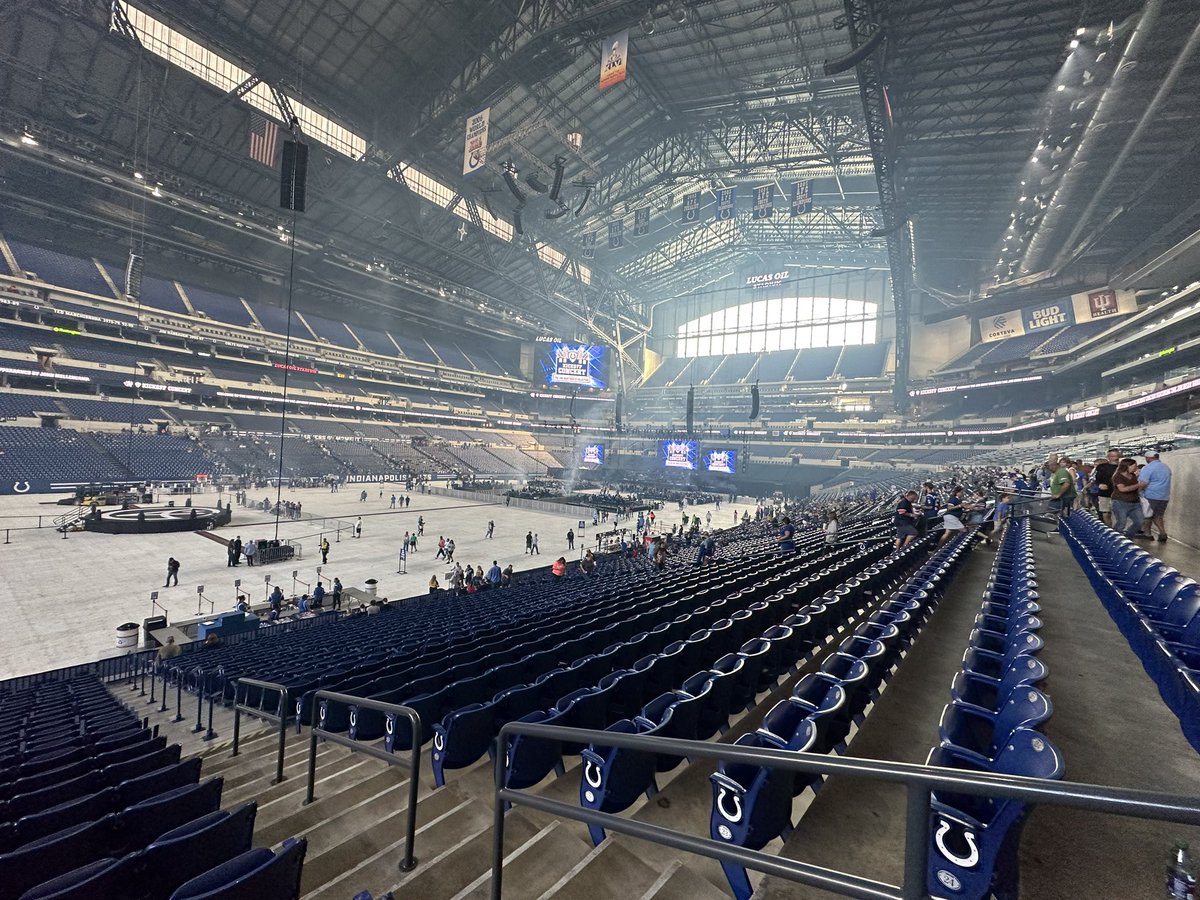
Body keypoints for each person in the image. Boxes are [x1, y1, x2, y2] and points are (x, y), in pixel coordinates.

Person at [1139, 449, 1172, 542]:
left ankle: (1147, 534)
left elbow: (1142, 483)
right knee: (1158, 516)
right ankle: (1162, 533)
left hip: (1150, 495)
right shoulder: (1166, 467)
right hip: (1164, 496)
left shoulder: (1148, 468)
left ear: (1148, 458)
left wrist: (1136, 492)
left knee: (1147, 515)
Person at [1111, 457, 1146, 537]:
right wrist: (1138, 485)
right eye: (1134, 466)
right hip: (1120, 501)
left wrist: (1140, 487)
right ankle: (1115, 538)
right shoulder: (1117, 476)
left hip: (1134, 502)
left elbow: (1135, 488)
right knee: (1121, 522)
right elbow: (1122, 489)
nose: (1136, 468)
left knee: (1139, 521)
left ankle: (1128, 537)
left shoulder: (1133, 475)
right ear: (1128, 466)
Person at [1094, 448, 1120, 526]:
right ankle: (1110, 529)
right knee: (1106, 513)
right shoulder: (1102, 467)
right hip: (1105, 493)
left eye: (1116, 456)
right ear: (1108, 457)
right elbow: (1096, 478)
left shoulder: (1123, 467)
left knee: (1118, 514)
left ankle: (1117, 529)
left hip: (1119, 494)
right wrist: (1099, 485)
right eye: (1112, 456)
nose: (1115, 458)